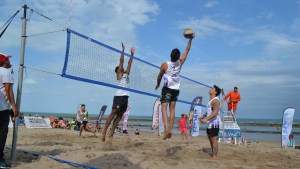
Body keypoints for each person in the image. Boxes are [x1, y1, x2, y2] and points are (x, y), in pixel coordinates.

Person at [155, 33, 195, 139]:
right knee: (172, 109)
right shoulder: (180, 63)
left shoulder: (165, 65)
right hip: (176, 89)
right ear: (178, 57)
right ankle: (171, 129)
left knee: (164, 108)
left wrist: (158, 84)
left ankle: (167, 129)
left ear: (170, 55)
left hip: (167, 89)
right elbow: (187, 50)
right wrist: (190, 39)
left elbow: (159, 77)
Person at [101, 42, 136, 142]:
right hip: (119, 96)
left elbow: (129, 63)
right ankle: (104, 131)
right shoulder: (119, 76)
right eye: (120, 69)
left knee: (120, 116)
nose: (122, 68)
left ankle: (111, 133)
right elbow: (121, 61)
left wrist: (132, 54)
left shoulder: (126, 74)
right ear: (118, 72)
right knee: (113, 113)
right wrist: (123, 50)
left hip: (125, 97)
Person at [0, 53, 19, 168]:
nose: (9, 61)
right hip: (2, 108)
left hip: (3, 107)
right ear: (3, 61)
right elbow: (8, 90)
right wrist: (14, 106)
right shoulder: (5, 72)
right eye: (7, 59)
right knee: (2, 133)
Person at [199, 85, 221, 160]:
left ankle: (215, 156)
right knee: (210, 138)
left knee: (214, 139)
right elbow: (209, 111)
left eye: (212, 88)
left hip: (215, 123)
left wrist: (206, 119)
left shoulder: (216, 101)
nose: (210, 89)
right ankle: (213, 153)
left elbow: (215, 112)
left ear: (215, 92)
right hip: (210, 122)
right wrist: (203, 116)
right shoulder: (210, 101)